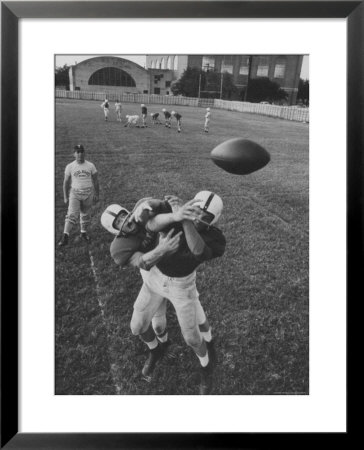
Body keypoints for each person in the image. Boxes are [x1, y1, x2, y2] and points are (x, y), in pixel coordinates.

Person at [102, 192, 226, 394]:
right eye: (195, 211)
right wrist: (172, 216)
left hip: (181, 285)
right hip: (155, 278)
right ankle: (156, 350)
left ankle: (206, 367)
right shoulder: (174, 217)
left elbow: (197, 251)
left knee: (193, 338)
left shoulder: (215, 238)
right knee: (137, 326)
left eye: (205, 217)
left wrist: (183, 218)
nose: (198, 217)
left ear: (214, 220)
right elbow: (151, 223)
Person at [58, 145, 99, 246]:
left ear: (84, 153)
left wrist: (97, 194)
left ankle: (83, 233)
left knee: (85, 214)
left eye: (81, 151)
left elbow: (96, 181)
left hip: (88, 193)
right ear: (74, 154)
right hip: (75, 194)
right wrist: (65, 196)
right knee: (72, 214)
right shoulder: (70, 166)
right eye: (77, 152)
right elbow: (66, 182)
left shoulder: (90, 165)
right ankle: (65, 237)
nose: (80, 154)